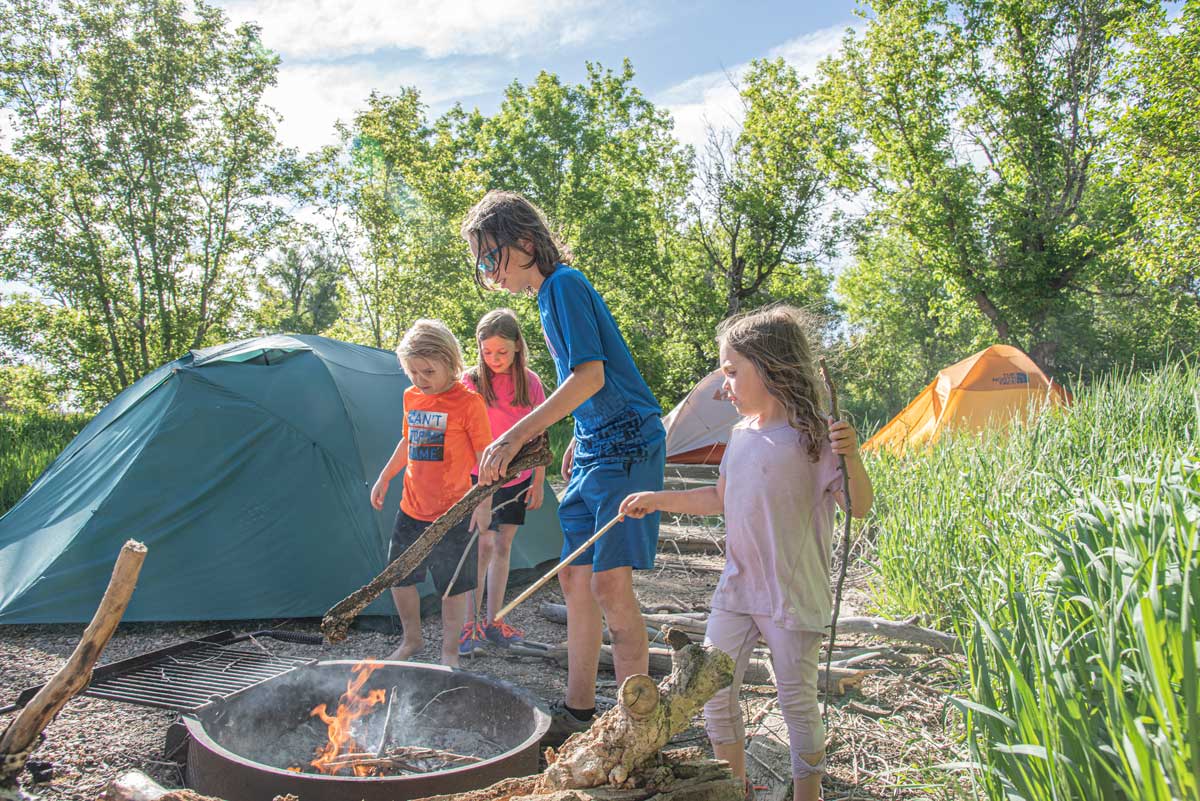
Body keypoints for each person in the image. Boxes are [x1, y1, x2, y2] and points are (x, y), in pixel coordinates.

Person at [619, 305, 874, 801]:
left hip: (791, 595)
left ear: (772, 368)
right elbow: (718, 498)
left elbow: (858, 505)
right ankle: (731, 788)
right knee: (711, 689)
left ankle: (808, 793)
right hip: (735, 589)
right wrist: (657, 500)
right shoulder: (738, 435)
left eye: (733, 372)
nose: (723, 387)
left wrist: (853, 456)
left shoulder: (815, 438)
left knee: (796, 700)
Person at [461, 190, 665, 745]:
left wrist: (515, 435)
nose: (487, 272)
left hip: (627, 444)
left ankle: (636, 722)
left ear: (524, 242)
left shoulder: (564, 285)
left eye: (490, 257)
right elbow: (585, 386)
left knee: (608, 583)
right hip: (597, 443)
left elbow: (592, 376)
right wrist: (578, 434)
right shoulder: (549, 297)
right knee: (575, 575)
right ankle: (580, 709)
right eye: (481, 262)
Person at [370, 319, 494, 668]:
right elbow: (408, 441)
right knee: (399, 576)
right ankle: (413, 639)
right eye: (412, 372)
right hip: (412, 508)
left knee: (453, 586)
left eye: (428, 371)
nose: (420, 380)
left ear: (451, 363)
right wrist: (385, 476)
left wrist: (484, 505)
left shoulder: (468, 403)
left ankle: (449, 652)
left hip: (455, 512)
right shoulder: (411, 397)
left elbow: (487, 458)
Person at [458, 307, 548, 655]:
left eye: (503, 352)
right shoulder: (471, 382)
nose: (494, 359)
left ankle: (494, 621)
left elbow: (540, 435)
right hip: (478, 479)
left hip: (518, 478)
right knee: (480, 547)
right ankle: (470, 624)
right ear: (478, 349)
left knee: (502, 546)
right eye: (487, 352)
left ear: (517, 348)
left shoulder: (531, 381)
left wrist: (538, 481)